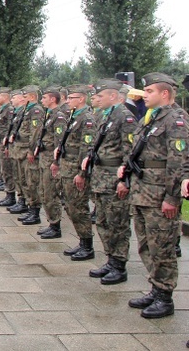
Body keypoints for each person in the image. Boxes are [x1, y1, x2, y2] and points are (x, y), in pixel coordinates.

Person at [120, 73, 188, 319]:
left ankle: (165, 297)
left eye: (149, 91)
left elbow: (179, 162)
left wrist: (172, 198)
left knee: (163, 248)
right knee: (147, 244)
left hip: (159, 195)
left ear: (165, 94)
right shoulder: (152, 118)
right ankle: (155, 288)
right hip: (143, 191)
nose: (144, 95)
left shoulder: (176, 120)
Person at [83, 79, 137, 284]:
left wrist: (124, 180)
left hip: (114, 178)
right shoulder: (106, 116)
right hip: (101, 176)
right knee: (104, 221)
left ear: (113, 96)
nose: (96, 99)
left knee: (118, 223)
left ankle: (119, 264)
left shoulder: (125, 117)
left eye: (101, 95)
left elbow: (130, 151)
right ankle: (110, 258)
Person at [52, 84, 97, 261]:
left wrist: (82, 173)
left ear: (82, 99)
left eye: (72, 98)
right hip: (67, 166)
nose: (68, 100)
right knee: (71, 206)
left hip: (76, 169)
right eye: (68, 98)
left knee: (79, 207)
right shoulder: (74, 116)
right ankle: (82, 241)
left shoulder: (86, 118)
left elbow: (87, 148)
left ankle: (87, 245)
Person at [34, 86, 67, 239]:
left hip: (50, 159)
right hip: (44, 157)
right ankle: (51, 223)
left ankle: (56, 225)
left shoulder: (58, 116)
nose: (42, 100)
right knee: (44, 191)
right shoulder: (49, 114)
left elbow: (59, 141)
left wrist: (56, 162)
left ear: (53, 99)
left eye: (44, 98)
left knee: (51, 193)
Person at [10, 85, 45, 225]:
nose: (22, 99)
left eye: (25, 97)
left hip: (27, 150)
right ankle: (25, 204)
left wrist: (32, 150)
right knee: (22, 179)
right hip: (21, 148)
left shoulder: (36, 110)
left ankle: (34, 211)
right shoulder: (26, 110)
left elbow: (35, 133)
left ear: (32, 97)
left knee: (31, 181)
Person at [0, 88, 16, 206]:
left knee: (7, 170)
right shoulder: (2, 110)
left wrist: (6, 143)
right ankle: (9, 194)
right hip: (0, 143)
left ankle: (11, 195)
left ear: (5, 97)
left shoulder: (9, 110)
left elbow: (9, 128)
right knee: (4, 170)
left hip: (5, 144)